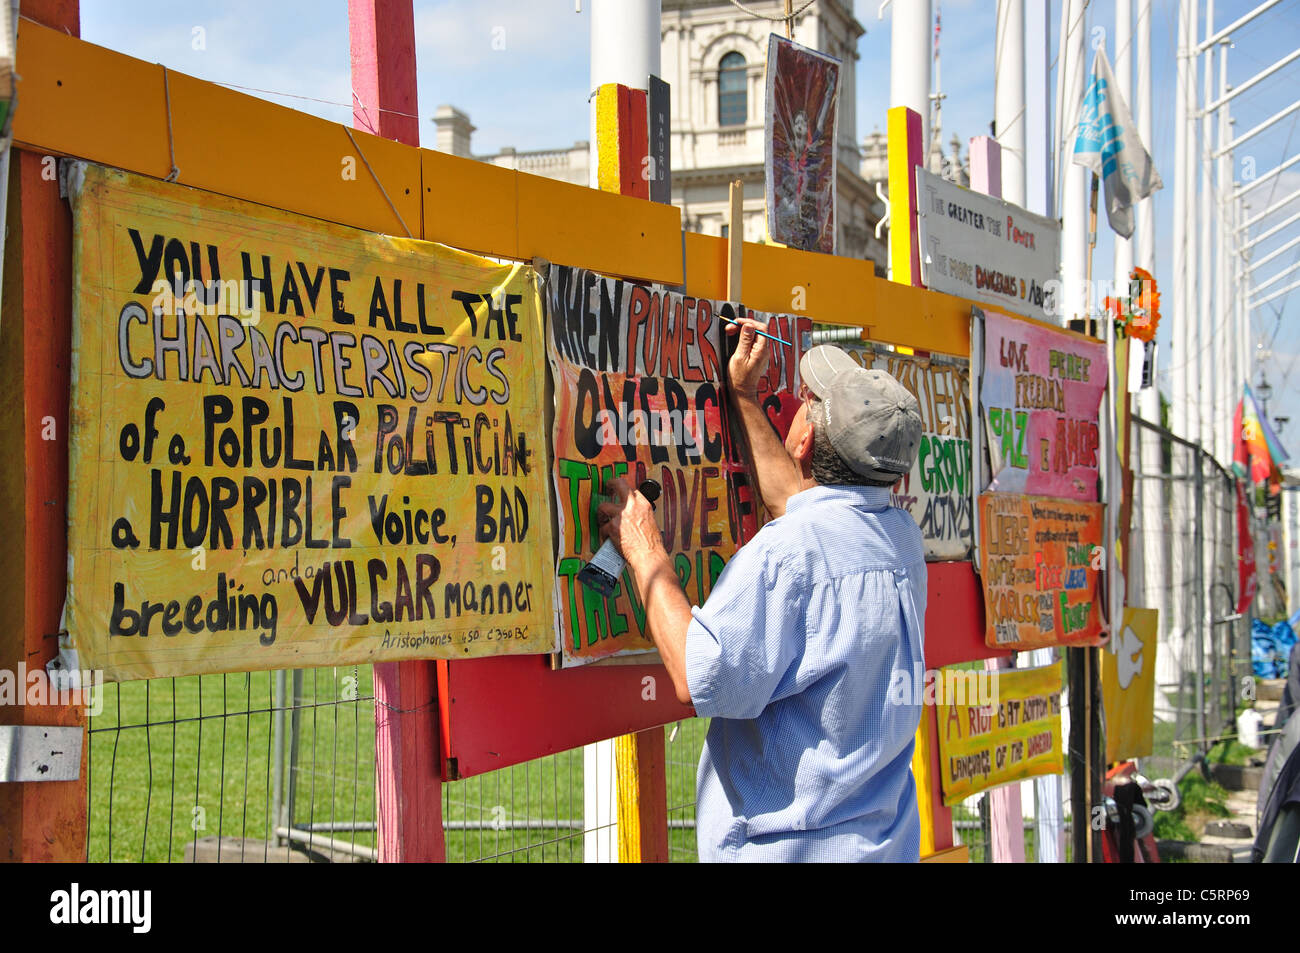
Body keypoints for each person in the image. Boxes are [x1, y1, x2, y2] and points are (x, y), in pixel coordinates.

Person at [597, 318, 927, 862]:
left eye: (810, 401)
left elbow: (695, 673)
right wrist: (744, 397)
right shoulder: (898, 539)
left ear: (805, 438)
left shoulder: (789, 553)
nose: (799, 401)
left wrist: (643, 548)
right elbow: (799, 502)